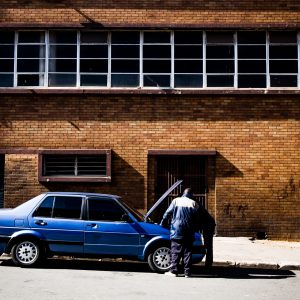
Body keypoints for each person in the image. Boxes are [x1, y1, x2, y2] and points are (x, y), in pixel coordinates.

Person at [160, 188, 199, 278]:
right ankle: (187, 273)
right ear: (191, 195)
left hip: (177, 230)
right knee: (187, 252)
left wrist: (163, 222)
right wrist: (195, 228)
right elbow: (197, 219)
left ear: (183, 194)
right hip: (189, 231)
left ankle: (174, 271)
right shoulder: (194, 203)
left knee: (175, 251)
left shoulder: (176, 201)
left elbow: (167, 213)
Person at [197, 204, 216, 269]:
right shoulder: (195, 204)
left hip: (208, 225)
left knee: (208, 245)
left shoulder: (194, 206)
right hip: (208, 224)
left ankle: (208, 263)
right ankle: (208, 263)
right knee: (208, 245)